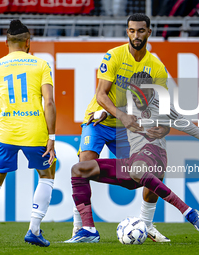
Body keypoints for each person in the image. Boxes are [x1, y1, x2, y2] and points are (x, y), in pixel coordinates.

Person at [65, 71, 199, 243]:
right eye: (133, 94)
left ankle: (188, 211)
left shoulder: (164, 108)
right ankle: (89, 230)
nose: (136, 99)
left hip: (155, 158)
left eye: (141, 94)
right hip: (133, 164)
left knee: (137, 169)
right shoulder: (129, 103)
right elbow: (114, 109)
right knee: (79, 169)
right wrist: (103, 112)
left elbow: (196, 131)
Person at [73, 13, 171, 242]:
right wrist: (122, 115)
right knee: (84, 165)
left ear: (149, 32)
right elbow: (100, 94)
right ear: (127, 32)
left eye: (140, 31)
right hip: (99, 121)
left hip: (128, 128)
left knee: (153, 170)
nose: (136, 35)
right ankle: (81, 228)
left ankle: (146, 226)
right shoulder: (114, 56)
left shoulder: (157, 68)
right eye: (131, 30)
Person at [0, 20, 56, 248]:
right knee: (46, 174)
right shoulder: (41, 65)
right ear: (28, 42)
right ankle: (34, 230)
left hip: (5, 134)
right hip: (35, 132)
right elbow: (50, 102)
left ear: (6, 42)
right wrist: (52, 137)